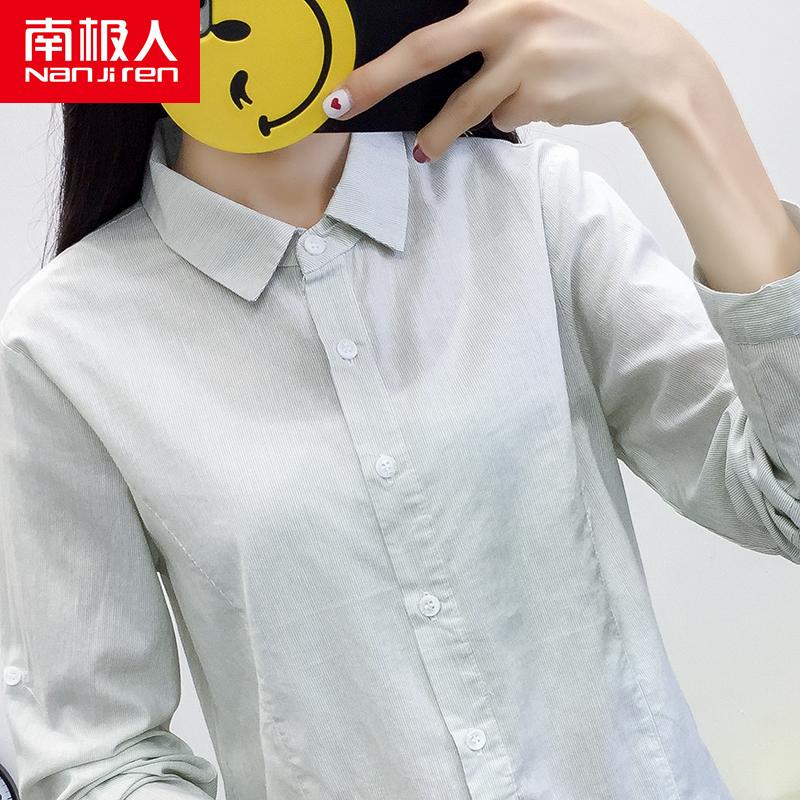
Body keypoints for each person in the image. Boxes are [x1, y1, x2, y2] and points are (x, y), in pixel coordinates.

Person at [2, 1, 800, 798]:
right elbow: (99, 758)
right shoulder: (66, 344)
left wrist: (678, 92)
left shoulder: (532, 205)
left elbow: (783, 500)